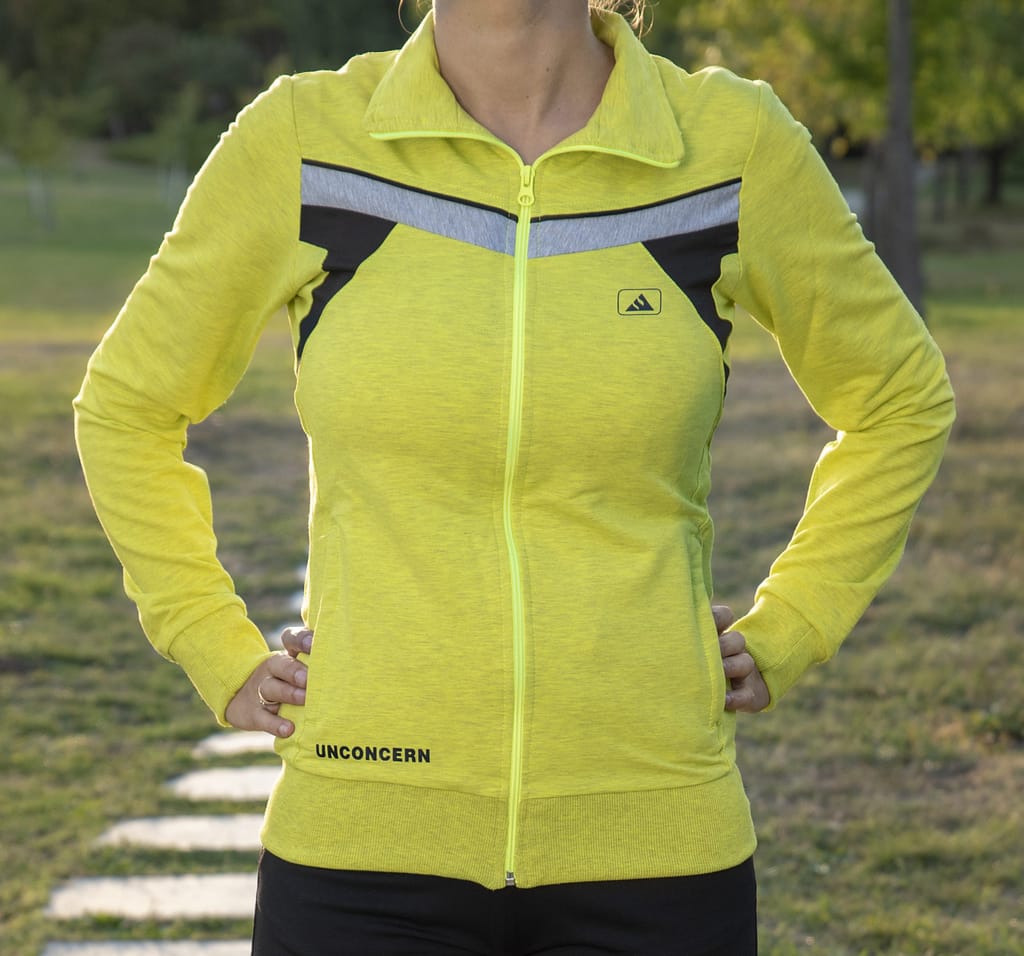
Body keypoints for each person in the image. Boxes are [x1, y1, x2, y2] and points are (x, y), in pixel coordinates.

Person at [74, 0, 955, 952]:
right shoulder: (306, 142)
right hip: (360, 848)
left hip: (655, 845)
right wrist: (213, 643)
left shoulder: (728, 147)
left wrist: (795, 624)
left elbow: (899, 400)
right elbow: (127, 404)